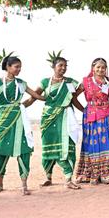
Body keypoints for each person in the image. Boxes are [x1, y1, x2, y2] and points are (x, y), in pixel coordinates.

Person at [0, 54, 45, 195]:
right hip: (4, 121)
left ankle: (24, 186)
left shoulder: (21, 83)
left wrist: (49, 98)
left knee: (23, 150)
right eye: (16, 66)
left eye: (20, 67)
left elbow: (35, 95)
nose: (19, 69)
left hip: (20, 120)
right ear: (8, 67)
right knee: (0, 151)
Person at [24, 52, 82, 190]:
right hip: (48, 118)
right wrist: (20, 106)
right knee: (48, 146)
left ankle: (68, 179)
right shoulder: (45, 82)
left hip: (65, 117)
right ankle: (48, 177)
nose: (63, 68)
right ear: (53, 66)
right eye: (60, 65)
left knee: (67, 146)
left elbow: (76, 96)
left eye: (65, 66)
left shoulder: (70, 82)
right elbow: (34, 96)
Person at [75, 58, 109, 184]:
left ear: (106, 69)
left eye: (103, 67)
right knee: (92, 143)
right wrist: (84, 110)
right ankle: (91, 173)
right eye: (98, 67)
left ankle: (108, 173)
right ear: (93, 68)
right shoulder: (86, 82)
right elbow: (73, 97)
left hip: (107, 115)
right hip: (91, 116)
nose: (100, 70)